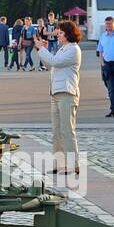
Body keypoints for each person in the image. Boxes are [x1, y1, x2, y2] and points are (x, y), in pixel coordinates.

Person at [35, 20, 82, 174]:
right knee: (56, 130)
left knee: (67, 130)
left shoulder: (73, 49)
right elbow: (52, 65)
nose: (58, 35)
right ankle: (59, 163)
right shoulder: (63, 49)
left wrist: (42, 49)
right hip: (56, 92)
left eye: (61, 33)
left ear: (68, 34)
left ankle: (73, 163)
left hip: (67, 93)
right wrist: (44, 51)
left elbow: (55, 62)